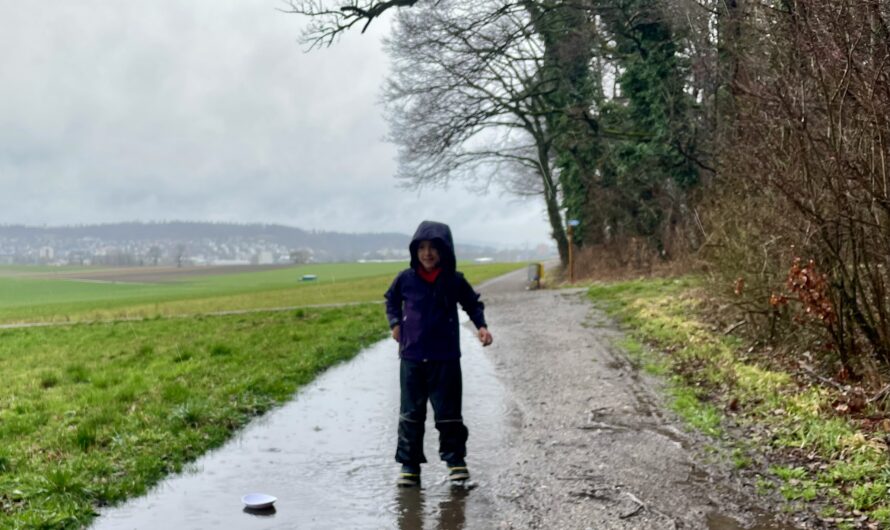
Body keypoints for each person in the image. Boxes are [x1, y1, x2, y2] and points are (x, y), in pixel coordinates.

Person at [384, 220, 493, 487]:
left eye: (433, 247)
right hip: (412, 357)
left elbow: (472, 303)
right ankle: (409, 466)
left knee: (449, 413)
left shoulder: (454, 280)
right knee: (411, 413)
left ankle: (456, 462)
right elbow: (390, 300)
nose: (427, 253)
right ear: (415, 251)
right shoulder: (405, 279)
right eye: (422, 247)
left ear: (445, 250)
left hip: (445, 358)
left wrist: (481, 326)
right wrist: (395, 323)